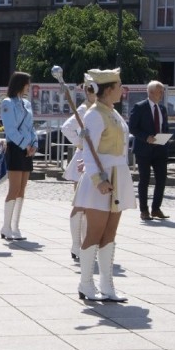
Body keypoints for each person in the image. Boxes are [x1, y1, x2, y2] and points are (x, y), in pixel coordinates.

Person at [72, 68, 135, 302]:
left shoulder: (113, 113)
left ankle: (107, 286)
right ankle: (86, 284)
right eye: (119, 85)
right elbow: (88, 150)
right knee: (95, 233)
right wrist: (98, 179)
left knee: (109, 234)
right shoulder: (94, 114)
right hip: (100, 179)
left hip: (117, 176)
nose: (122, 89)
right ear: (109, 89)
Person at [60, 79, 97, 260]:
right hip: (84, 158)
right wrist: (80, 143)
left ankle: (86, 242)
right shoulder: (83, 109)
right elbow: (66, 127)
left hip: (98, 158)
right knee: (80, 204)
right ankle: (77, 244)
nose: (94, 93)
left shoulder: (99, 109)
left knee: (92, 205)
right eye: (91, 90)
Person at [0, 71, 37, 241]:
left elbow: (31, 126)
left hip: (27, 149)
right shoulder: (7, 102)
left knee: (22, 189)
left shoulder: (27, 103)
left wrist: (34, 144)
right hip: (16, 147)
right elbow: (10, 128)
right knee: (14, 189)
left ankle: (15, 225)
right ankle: (6, 226)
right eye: (27, 83)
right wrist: (25, 144)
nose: (28, 87)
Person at [129, 80, 169, 221]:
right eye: (160, 91)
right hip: (143, 150)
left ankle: (156, 209)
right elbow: (132, 127)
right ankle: (144, 210)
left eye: (162, 91)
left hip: (160, 150)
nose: (162, 94)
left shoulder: (162, 109)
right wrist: (146, 137)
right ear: (151, 92)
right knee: (144, 180)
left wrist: (165, 137)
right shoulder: (140, 107)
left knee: (161, 180)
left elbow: (165, 127)